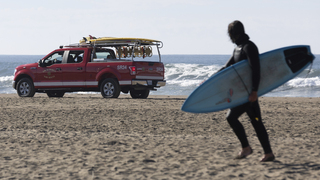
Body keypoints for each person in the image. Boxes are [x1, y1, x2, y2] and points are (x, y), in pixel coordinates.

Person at [221, 20, 275, 162]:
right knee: (256, 122)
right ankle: (268, 153)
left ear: (233, 33)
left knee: (231, 117)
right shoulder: (238, 49)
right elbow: (226, 68)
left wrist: (254, 91)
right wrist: (207, 81)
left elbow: (256, 69)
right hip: (244, 94)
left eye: (230, 34)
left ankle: (246, 148)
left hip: (248, 95)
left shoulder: (249, 47)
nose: (229, 37)